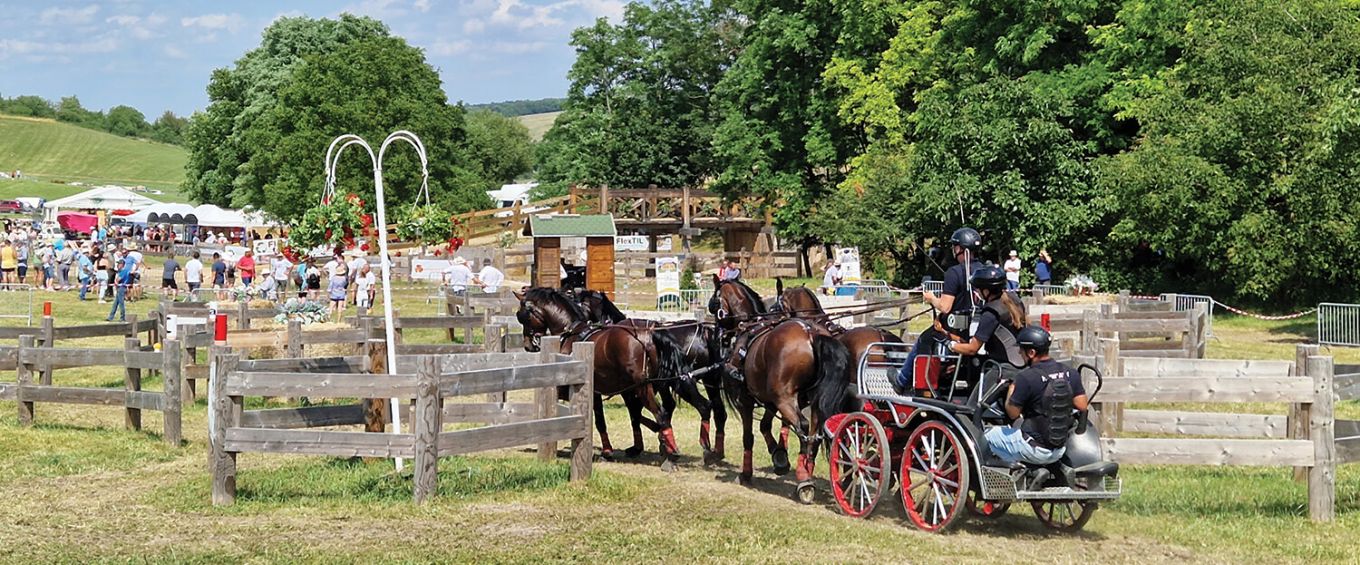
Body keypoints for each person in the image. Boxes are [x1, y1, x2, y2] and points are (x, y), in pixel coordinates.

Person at [894, 264, 1026, 393]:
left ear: (987, 291)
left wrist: (949, 343)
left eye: (978, 289)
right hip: (1021, 364)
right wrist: (944, 333)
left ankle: (903, 380)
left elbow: (971, 349)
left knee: (972, 408)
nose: (977, 293)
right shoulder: (1013, 300)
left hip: (1002, 368)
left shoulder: (991, 313)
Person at [984, 326, 1089, 466]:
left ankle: (1017, 469)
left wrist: (1011, 390)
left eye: (1021, 350)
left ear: (1031, 352)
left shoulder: (1026, 377)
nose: (1020, 354)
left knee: (984, 436)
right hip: (1060, 449)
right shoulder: (1071, 373)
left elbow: (1013, 413)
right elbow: (1082, 406)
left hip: (1033, 448)